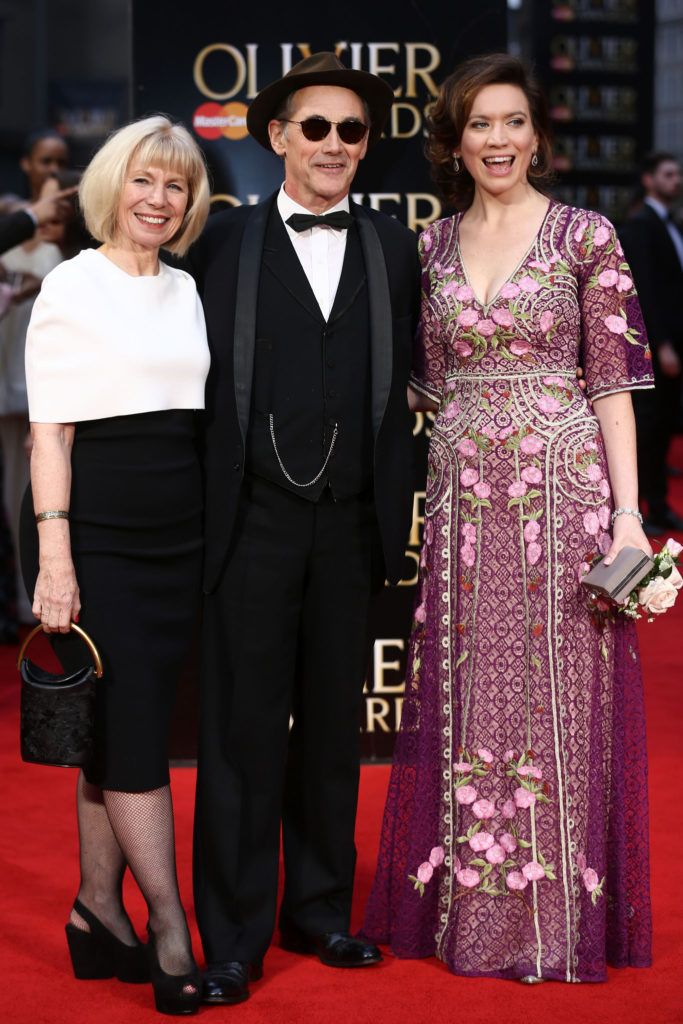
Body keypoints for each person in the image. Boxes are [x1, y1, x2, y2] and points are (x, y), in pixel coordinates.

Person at [362, 53, 653, 984]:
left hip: (560, 494)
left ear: (537, 136)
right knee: (469, 694)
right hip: (458, 499)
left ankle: (554, 924)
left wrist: (629, 520)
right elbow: (420, 384)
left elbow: (614, 390)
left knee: (558, 699)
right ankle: (473, 919)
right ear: (454, 140)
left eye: (513, 122)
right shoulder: (430, 248)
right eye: (480, 124)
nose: (498, 140)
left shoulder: (584, 236)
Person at [188, 52, 420, 1005]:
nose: (333, 144)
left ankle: (319, 911)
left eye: (351, 130)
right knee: (242, 732)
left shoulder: (391, 248)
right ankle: (234, 936)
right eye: (314, 127)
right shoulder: (221, 246)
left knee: (331, 728)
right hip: (249, 522)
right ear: (278, 136)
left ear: (367, 146)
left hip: (354, 524)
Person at [20, 115, 210, 1015]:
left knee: (115, 729)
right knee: (135, 735)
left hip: (180, 536)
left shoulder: (187, 288)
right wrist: (55, 557)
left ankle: (97, 908)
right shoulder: (70, 285)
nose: (158, 199)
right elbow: (48, 435)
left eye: (175, 185)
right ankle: (168, 922)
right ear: (111, 186)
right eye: (143, 181)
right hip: (94, 536)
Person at [619, 153, 683, 535]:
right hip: (654, 350)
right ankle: (643, 511)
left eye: (678, 175)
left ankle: (656, 507)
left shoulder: (668, 224)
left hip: (669, 346)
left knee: (661, 430)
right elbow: (644, 295)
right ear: (648, 179)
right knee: (649, 429)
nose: (676, 181)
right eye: (668, 174)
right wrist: (660, 346)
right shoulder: (641, 227)